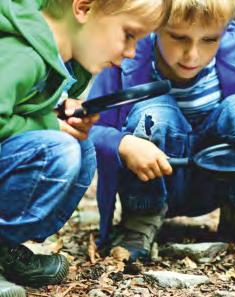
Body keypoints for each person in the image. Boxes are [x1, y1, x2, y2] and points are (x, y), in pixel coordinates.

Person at [88, 0, 235, 264]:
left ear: (225, 31)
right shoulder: (127, 58)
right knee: (154, 114)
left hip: (218, 180)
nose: (192, 55)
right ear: (156, 24)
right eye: (178, 37)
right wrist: (123, 143)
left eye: (209, 39)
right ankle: (140, 220)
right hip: (155, 178)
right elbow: (90, 128)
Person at [0, 0, 169, 295]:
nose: (129, 54)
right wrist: (51, 128)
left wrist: (58, 111)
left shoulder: (67, 64)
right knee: (59, 149)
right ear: (83, 8)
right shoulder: (22, 53)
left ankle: (5, 247)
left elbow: (21, 108)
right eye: (128, 35)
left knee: (81, 148)